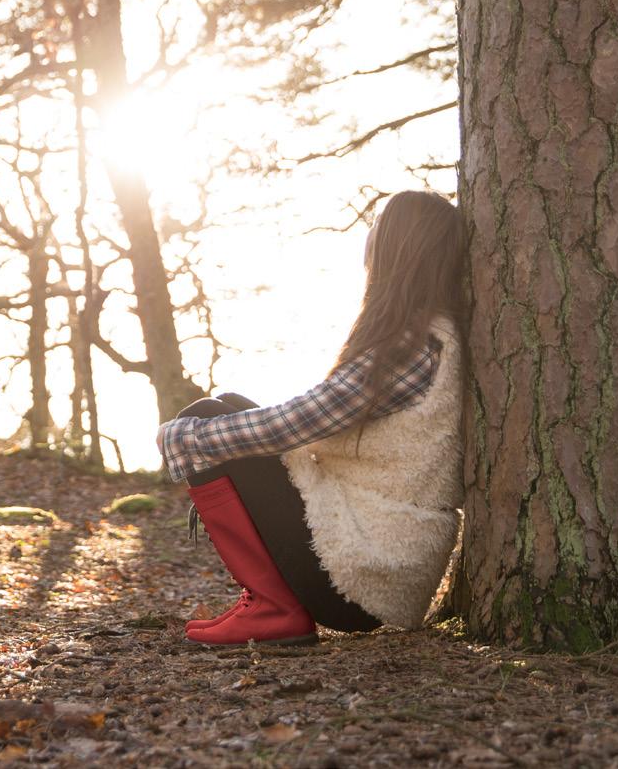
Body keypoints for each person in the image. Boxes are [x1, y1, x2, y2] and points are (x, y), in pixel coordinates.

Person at [156, 189, 466, 647]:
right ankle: (267, 603)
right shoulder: (424, 335)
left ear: (400, 246)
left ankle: (273, 609)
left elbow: (300, 421)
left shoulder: (414, 346)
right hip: (365, 550)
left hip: (364, 573)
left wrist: (185, 438)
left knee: (206, 424)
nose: (370, 235)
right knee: (227, 409)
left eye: (379, 225)